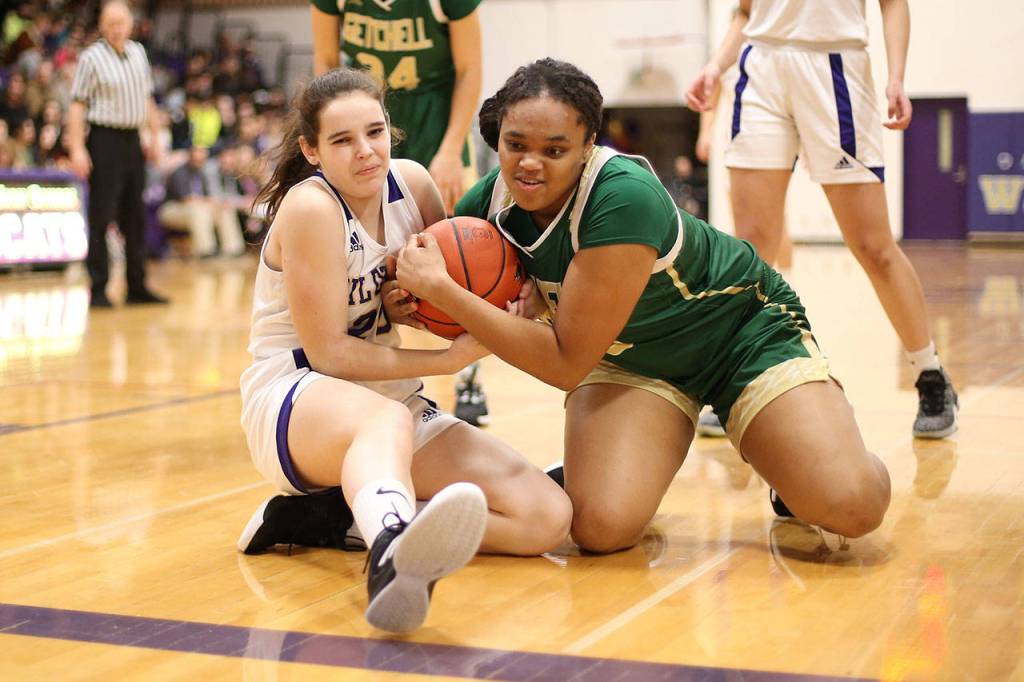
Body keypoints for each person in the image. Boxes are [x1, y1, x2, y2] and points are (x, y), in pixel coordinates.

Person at [396, 58, 891, 554]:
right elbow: (444, 304)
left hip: (739, 334)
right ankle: (621, 461)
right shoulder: (487, 209)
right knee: (599, 527)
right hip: (627, 360)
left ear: (588, 145)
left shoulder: (622, 197)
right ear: (498, 137)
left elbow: (565, 362)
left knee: (852, 505)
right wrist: (407, 302)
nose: (530, 163)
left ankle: (811, 437)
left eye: (555, 150)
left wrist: (446, 293)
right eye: (516, 145)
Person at [236, 68, 571, 633]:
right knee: (385, 419)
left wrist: (508, 304)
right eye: (342, 141)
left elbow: (454, 300)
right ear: (311, 151)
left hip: (383, 397)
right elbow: (330, 355)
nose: (366, 152)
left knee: (546, 516)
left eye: (375, 132)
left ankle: (331, 517)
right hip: (292, 399)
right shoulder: (310, 208)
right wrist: (446, 362)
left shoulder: (412, 186)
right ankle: (390, 554)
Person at [685, 0, 957, 439]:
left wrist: (896, 77)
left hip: (835, 66)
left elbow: (893, 5)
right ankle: (735, 378)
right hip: (761, 69)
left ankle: (931, 376)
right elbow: (744, 12)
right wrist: (717, 66)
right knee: (752, 248)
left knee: (873, 246)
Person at [309, 0, 491, 427]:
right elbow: (326, 62)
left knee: (462, 265)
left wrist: (449, 151)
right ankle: (353, 366)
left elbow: (469, 69)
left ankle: (469, 376)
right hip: (363, 127)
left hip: (434, 125)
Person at [65, 0, 167, 308]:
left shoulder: (138, 52)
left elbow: (147, 99)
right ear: (101, 25)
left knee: (134, 215)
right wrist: (77, 148)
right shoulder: (91, 58)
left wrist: (155, 136)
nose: (116, 28)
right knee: (101, 214)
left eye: (121, 22)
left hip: (133, 140)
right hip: (104, 139)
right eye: (110, 22)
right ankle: (98, 288)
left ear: (130, 24)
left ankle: (136, 286)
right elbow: (77, 104)